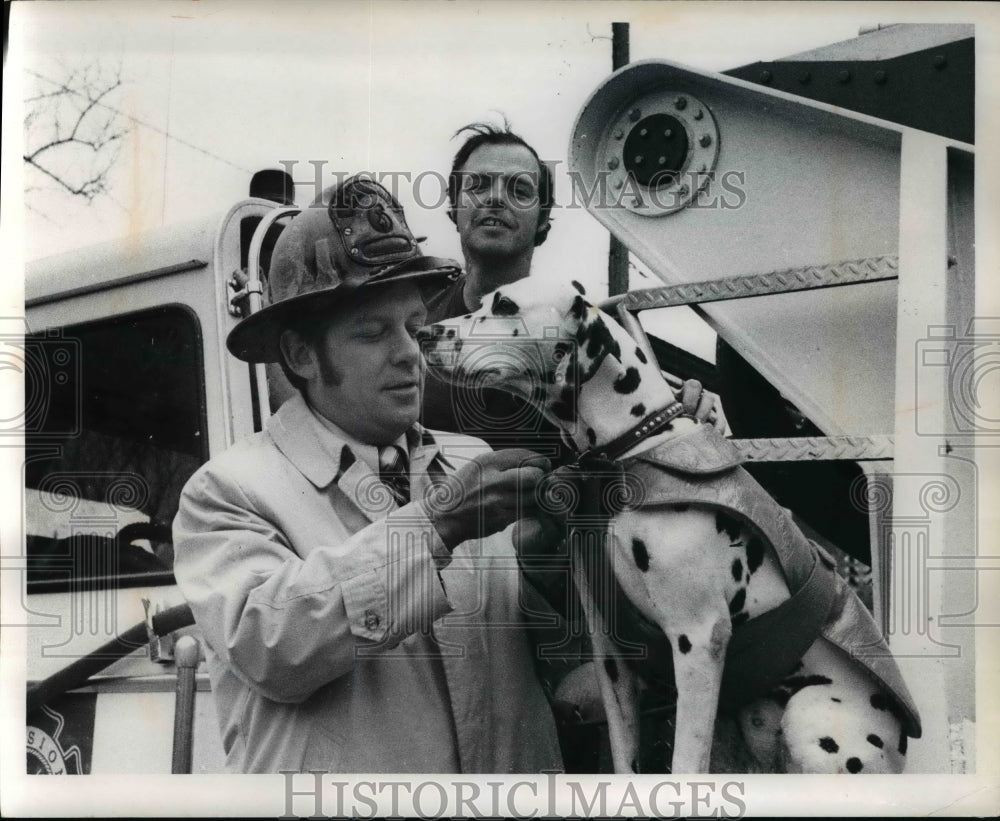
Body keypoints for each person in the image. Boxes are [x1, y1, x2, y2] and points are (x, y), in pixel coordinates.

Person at [172, 175, 563, 774]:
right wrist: (438, 522)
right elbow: (271, 647)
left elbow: (546, 642)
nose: (410, 352)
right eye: (373, 332)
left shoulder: (468, 458)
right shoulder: (226, 491)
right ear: (303, 355)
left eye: (413, 326)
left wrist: (549, 552)